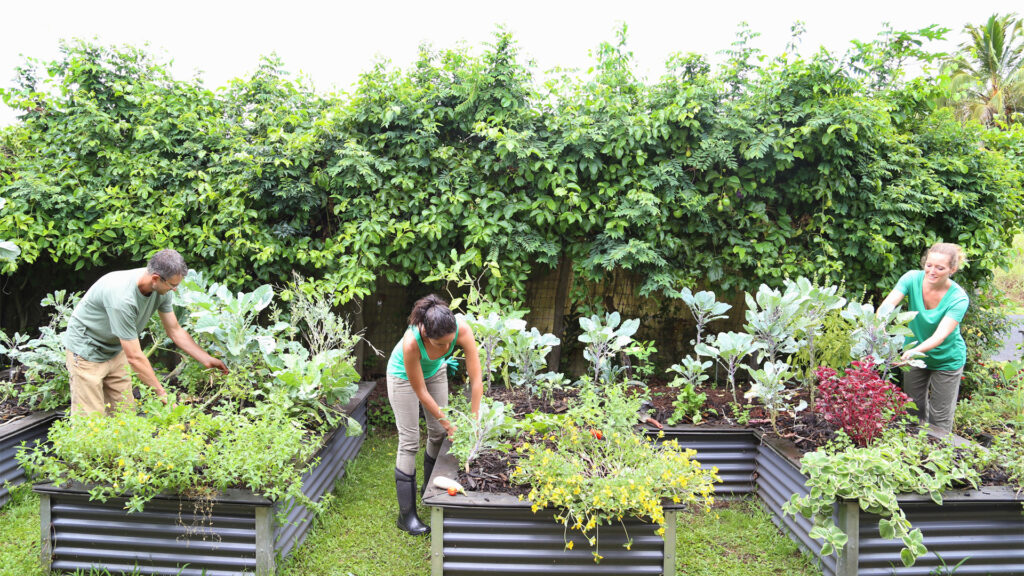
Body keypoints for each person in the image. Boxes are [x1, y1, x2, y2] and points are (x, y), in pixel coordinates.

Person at [62, 249, 229, 415]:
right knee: (90, 420)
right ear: (155, 278)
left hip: (115, 349)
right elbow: (134, 357)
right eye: (173, 285)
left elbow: (175, 330)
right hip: (86, 350)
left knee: (124, 415)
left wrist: (206, 359)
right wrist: (163, 396)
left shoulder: (161, 289)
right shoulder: (123, 298)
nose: (175, 290)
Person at [386, 295, 483, 536]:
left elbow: (476, 378)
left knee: (438, 433)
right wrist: (449, 422)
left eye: (449, 344)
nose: (445, 349)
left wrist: (474, 419)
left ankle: (428, 489)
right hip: (403, 378)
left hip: (435, 372)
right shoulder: (411, 342)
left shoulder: (462, 329)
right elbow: (420, 391)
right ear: (426, 334)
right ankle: (406, 516)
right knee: (409, 442)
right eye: (439, 345)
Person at [879, 242, 969, 434]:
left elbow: (939, 336)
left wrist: (914, 351)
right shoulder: (911, 279)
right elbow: (887, 307)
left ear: (952, 269)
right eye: (929, 265)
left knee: (940, 418)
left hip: (947, 359)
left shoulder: (958, 298)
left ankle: (940, 455)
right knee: (912, 409)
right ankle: (915, 454)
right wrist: (880, 328)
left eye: (940, 267)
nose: (932, 271)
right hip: (914, 356)